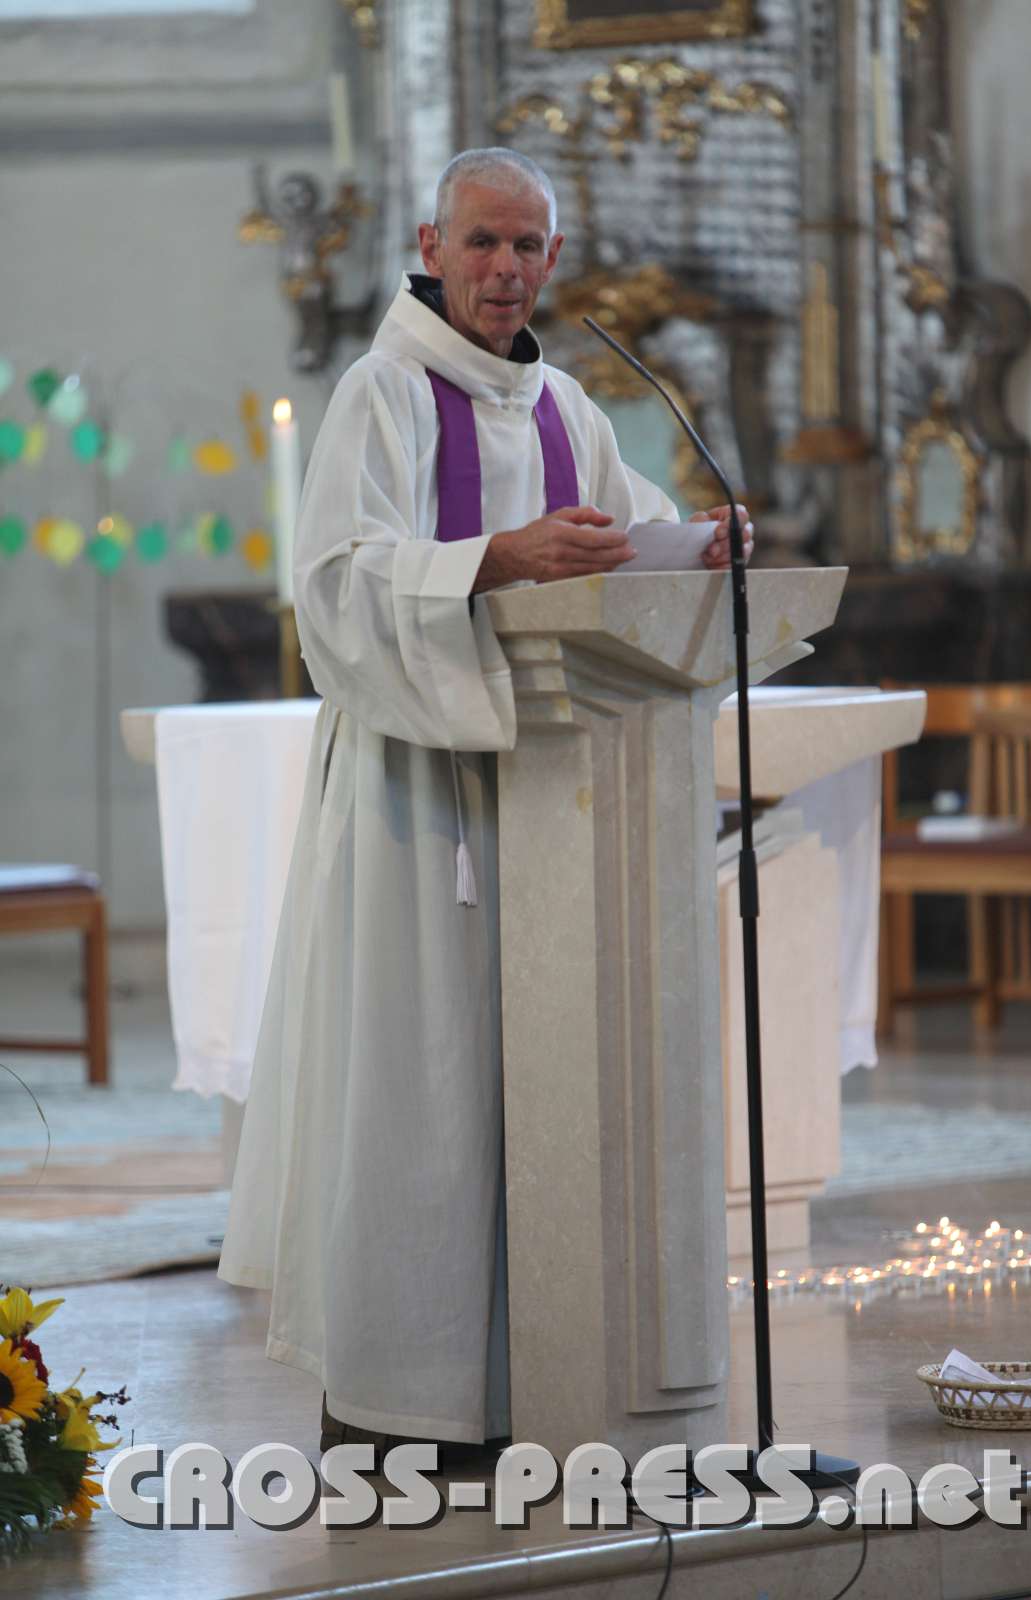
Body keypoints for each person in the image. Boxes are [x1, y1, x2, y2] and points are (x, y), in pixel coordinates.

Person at [217, 148, 755, 1456]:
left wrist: (705, 545)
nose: (506, 269)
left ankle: (533, 1384)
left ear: (551, 258)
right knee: (423, 1093)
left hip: (559, 805)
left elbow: (626, 550)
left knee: (536, 1093)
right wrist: (495, 559)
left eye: (527, 247)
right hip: (418, 798)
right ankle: (395, 1406)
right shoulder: (383, 393)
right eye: (483, 243)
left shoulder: (568, 407)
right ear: (432, 246)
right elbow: (334, 586)